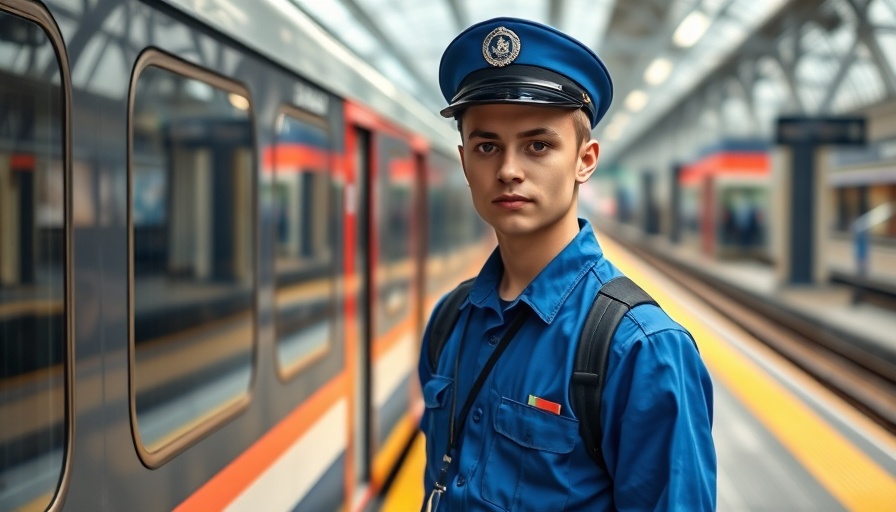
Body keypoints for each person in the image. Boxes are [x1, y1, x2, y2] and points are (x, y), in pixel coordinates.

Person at [418, 16, 717, 511]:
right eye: (487, 146)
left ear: (585, 159)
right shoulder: (450, 321)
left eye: (538, 145)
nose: (509, 170)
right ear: (465, 161)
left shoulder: (641, 351)